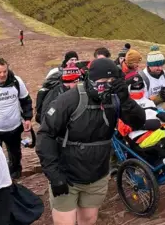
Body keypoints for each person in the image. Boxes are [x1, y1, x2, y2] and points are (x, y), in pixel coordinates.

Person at [36, 58, 145, 225]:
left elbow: (138, 122)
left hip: (97, 175)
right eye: (102, 81)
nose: (107, 85)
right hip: (67, 175)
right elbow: (45, 135)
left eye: (112, 81)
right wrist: (54, 174)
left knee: (89, 220)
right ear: (91, 79)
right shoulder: (68, 100)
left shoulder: (114, 99)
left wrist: (126, 100)